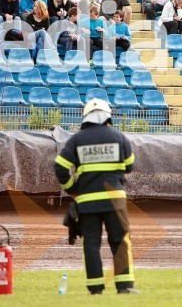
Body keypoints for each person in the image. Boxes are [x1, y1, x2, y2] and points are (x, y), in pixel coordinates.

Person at [53, 98, 138, 295]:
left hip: (87, 200)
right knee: (120, 241)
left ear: (86, 118)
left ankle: (95, 288)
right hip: (115, 199)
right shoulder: (119, 137)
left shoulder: (76, 140)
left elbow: (60, 166)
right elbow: (130, 165)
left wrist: (71, 189)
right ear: (108, 116)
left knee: (91, 243)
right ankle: (124, 286)